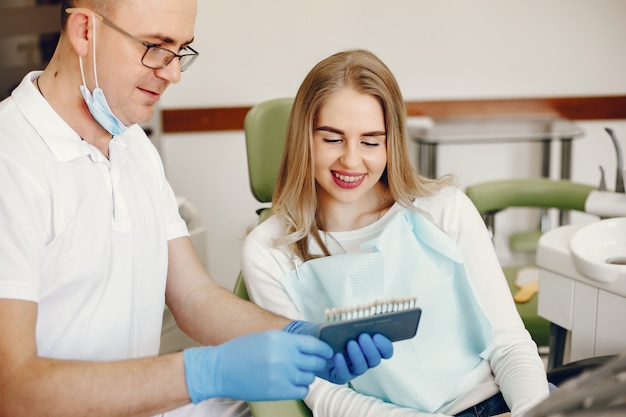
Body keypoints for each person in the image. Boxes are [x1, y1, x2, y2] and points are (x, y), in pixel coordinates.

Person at [0, 2, 393, 416]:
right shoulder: (12, 160)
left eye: (181, 51)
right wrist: (199, 373)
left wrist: (304, 337)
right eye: (155, 46)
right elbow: (13, 388)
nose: (172, 73)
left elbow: (193, 297)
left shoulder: (133, 147)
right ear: (84, 31)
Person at [241, 49, 552, 417]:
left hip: (506, 401)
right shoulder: (270, 251)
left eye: (371, 141)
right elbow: (324, 396)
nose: (352, 160)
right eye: (332, 139)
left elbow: (510, 344)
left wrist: (532, 412)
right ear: (302, 138)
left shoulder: (444, 209)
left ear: (392, 142)